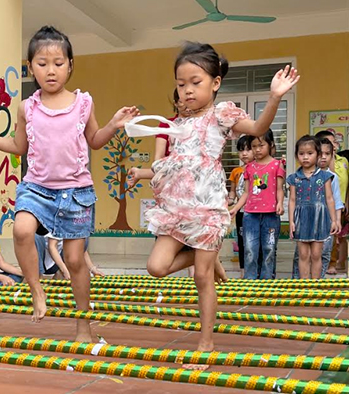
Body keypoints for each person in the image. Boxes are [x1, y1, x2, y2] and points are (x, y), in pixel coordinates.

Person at [126, 41, 298, 367]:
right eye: (181, 84)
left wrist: (274, 96)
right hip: (176, 210)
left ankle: (206, 344)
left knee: (201, 277)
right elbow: (171, 164)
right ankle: (207, 255)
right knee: (156, 267)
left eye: (195, 82)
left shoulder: (221, 115)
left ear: (215, 83)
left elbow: (259, 128)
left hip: (207, 209)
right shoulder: (175, 124)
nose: (187, 90)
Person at [0, 26, 139, 341]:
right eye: (42, 63)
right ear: (30, 67)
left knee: (74, 260)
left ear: (71, 65)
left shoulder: (83, 103)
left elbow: (95, 141)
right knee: (21, 230)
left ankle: (83, 324)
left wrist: (114, 124)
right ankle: (36, 290)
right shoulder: (26, 107)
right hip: (37, 188)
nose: (51, 70)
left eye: (58, 63)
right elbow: (19, 147)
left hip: (76, 192)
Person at [127, 89, 226, 281]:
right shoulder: (167, 125)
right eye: (182, 93)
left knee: (202, 268)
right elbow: (159, 165)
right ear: (177, 101)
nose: (188, 101)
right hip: (174, 200)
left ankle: (210, 262)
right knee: (162, 263)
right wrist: (141, 172)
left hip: (201, 197)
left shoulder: (209, 123)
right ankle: (209, 259)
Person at [232, 130, 286, 280]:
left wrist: (280, 203)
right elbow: (246, 192)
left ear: (271, 145)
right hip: (250, 215)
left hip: (270, 215)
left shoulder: (277, 165)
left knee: (269, 248)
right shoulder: (249, 167)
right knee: (249, 249)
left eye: (261, 145)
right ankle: (250, 280)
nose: (257, 149)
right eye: (254, 146)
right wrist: (235, 208)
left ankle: (267, 280)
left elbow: (279, 189)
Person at [286, 135, 339, 279]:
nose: (305, 157)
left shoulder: (325, 176)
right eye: (301, 153)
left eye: (310, 153)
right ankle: (304, 287)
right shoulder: (293, 178)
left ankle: (315, 287)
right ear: (297, 156)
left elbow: (330, 199)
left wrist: (334, 220)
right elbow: (292, 200)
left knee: (316, 254)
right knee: (303, 255)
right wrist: (291, 221)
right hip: (301, 219)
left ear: (318, 155)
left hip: (320, 217)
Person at [317, 130, 349, 274]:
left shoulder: (343, 161)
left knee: (336, 236)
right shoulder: (319, 164)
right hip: (320, 206)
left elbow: (346, 183)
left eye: (333, 141)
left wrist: (346, 202)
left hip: (338, 203)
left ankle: (332, 263)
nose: (331, 145)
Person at [230, 135, 255, 278]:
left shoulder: (258, 169)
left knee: (253, 243)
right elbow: (233, 190)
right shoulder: (236, 171)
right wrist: (230, 200)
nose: (244, 153)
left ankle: (254, 271)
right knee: (242, 242)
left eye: (248, 149)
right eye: (241, 150)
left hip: (255, 211)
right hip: (241, 212)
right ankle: (243, 271)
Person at [34, 234, 104, 279]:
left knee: (81, 241)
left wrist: (92, 269)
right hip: (44, 261)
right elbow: (52, 247)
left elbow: (81, 249)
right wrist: (64, 270)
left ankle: (59, 278)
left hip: (56, 262)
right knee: (36, 238)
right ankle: (36, 278)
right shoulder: (59, 218)